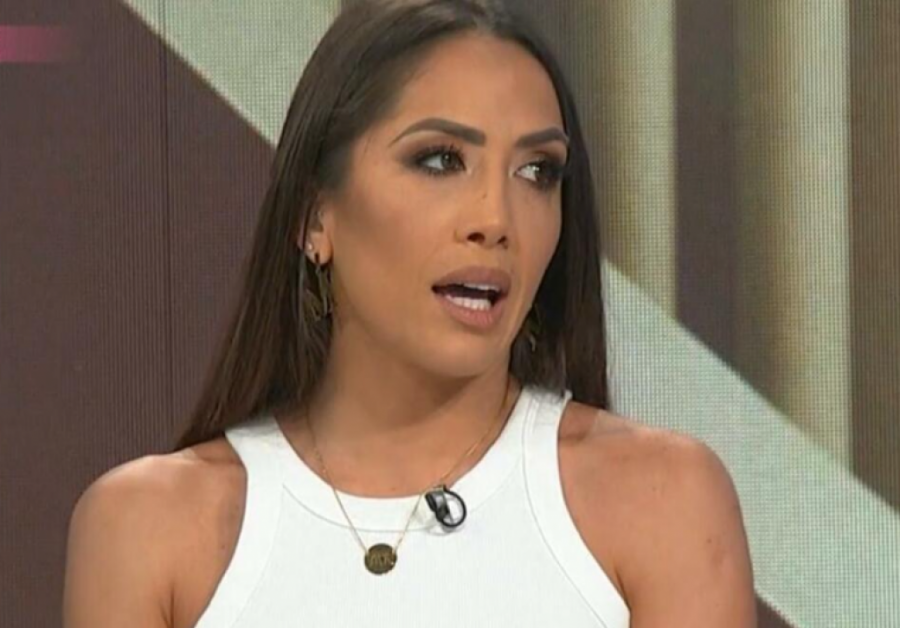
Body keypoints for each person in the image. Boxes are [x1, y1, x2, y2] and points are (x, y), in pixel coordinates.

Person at [62, 0, 756, 626]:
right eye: (440, 160)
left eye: (537, 171)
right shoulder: (148, 530)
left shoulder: (663, 502)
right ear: (314, 214)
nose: (496, 219)